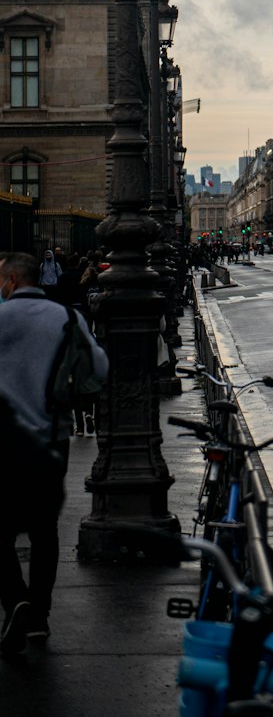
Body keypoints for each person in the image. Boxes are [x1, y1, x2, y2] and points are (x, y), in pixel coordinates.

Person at [0, 250, 108, 654]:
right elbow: (98, 369)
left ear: (11, 281)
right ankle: (40, 617)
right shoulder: (67, 318)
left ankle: (16, 601)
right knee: (44, 531)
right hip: (50, 440)